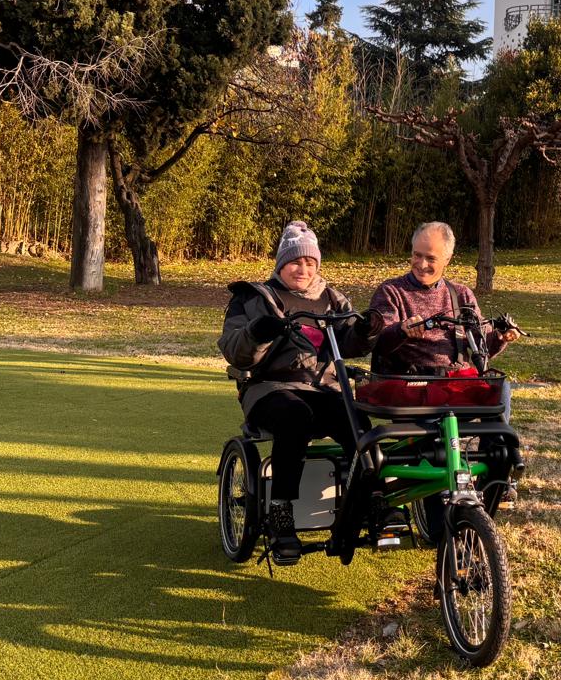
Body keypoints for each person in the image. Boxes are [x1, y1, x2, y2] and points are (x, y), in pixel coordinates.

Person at [219, 220, 367, 565]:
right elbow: (233, 349)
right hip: (268, 387)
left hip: (324, 387)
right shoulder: (252, 298)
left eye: (310, 263)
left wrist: (368, 332)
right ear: (281, 263)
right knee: (295, 416)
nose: (303, 269)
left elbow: (351, 342)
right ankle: (281, 512)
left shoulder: (333, 299)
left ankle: (369, 500)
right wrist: (258, 332)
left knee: (359, 422)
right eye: (295, 262)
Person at [367, 221, 521, 379]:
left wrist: (501, 336)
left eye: (431, 258)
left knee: (500, 391)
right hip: (407, 384)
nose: (422, 264)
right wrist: (400, 330)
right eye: (417, 255)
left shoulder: (461, 295)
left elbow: (482, 345)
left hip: (453, 380)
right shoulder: (391, 292)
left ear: (447, 259)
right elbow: (376, 342)